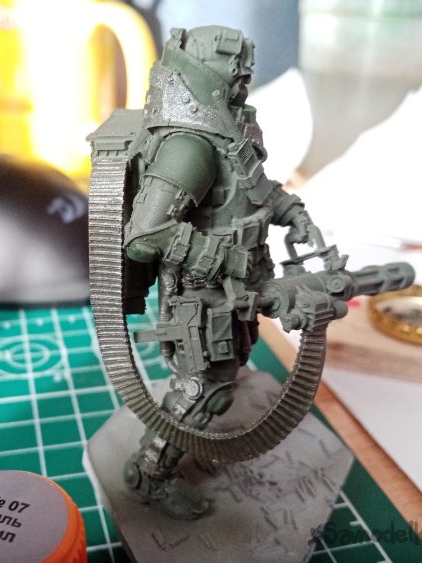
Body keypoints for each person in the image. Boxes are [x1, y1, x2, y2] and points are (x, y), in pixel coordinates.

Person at [121, 25, 317, 519]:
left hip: (236, 288)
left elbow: (251, 189)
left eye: (245, 64)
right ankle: (149, 472)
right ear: (205, 68)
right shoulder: (189, 144)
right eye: (234, 63)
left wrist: (290, 210)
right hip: (204, 293)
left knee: (227, 373)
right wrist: (225, 260)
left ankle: (194, 440)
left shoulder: (227, 129)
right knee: (204, 388)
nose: (243, 73)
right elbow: (145, 235)